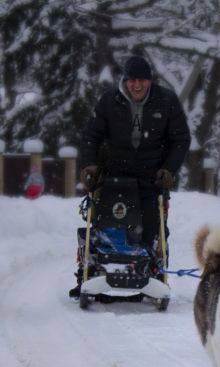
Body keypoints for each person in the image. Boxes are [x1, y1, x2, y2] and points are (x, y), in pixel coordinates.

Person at [71, 55, 191, 297]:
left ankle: (149, 271)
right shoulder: (109, 101)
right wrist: (89, 166)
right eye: (132, 80)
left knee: (150, 227)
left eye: (142, 80)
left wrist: (168, 168)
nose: (137, 85)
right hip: (114, 173)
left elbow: (181, 139)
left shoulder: (166, 101)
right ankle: (94, 270)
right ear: (125, 81)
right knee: (107, 224)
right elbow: (90, 136)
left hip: (151, 177)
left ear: (150, 81)